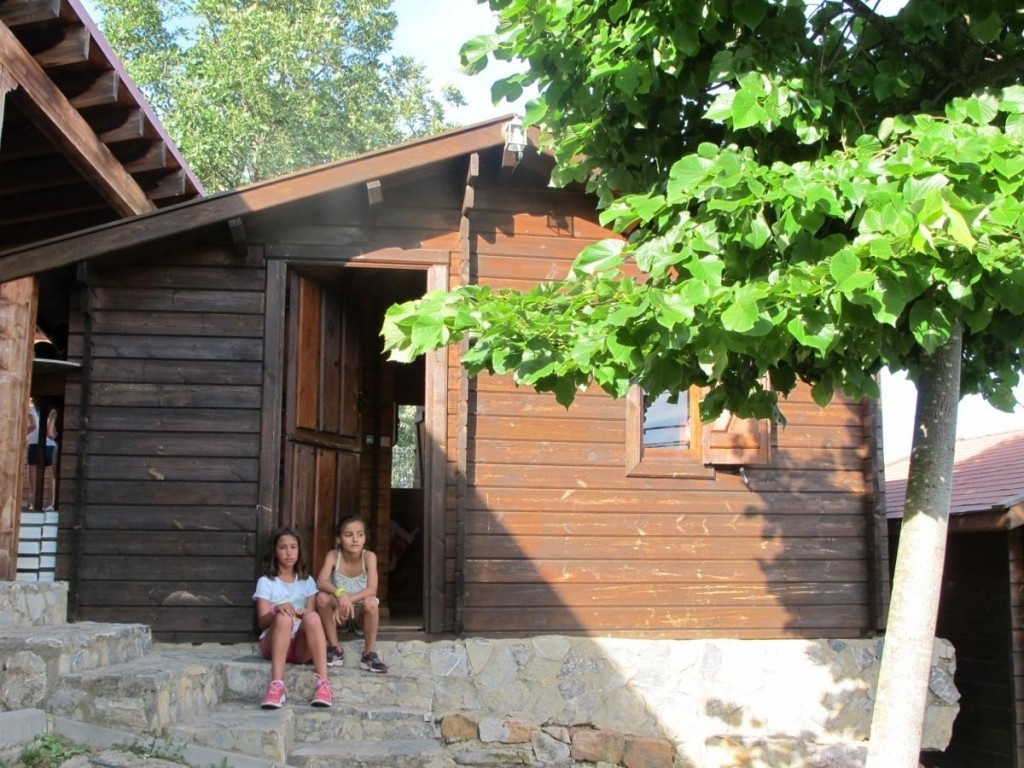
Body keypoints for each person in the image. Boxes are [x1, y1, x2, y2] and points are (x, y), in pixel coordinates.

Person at [253, 526, 333, 709]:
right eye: (283, 547)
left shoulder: (307, 582)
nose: (289, 553)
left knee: (313, 617)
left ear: (299, 551)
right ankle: (276, 686)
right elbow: (262, 622)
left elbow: (310, 617)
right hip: (274, 644)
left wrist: (304, 613)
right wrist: (276, 610)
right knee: (283, 618)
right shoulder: (266, 582)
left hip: (300, 648)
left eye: (293, 547)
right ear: (275, 552)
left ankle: (323, 685)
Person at [315, 514, 389, 674]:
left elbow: (372, 589)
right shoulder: (334, 555)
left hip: (361, 614)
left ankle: (369, 654)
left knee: (371, 602)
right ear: (339, 539)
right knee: (321, 598)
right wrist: (340, 594)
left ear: (364, 538)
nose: (355, 539)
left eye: (360, 534)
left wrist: (348, 599)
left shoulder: (369, 557)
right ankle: (335, 649)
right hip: (339, 614)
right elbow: (321, 582)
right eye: (349, 535)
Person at [26, 399, 58, 511]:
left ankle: (34, 504)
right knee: (54, 476)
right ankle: (52, 504)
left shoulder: (30, 410)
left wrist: (23, 433)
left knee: (33, 480)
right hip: (51, 445)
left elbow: (34, 425)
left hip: (34, 445)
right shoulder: (53, 412)